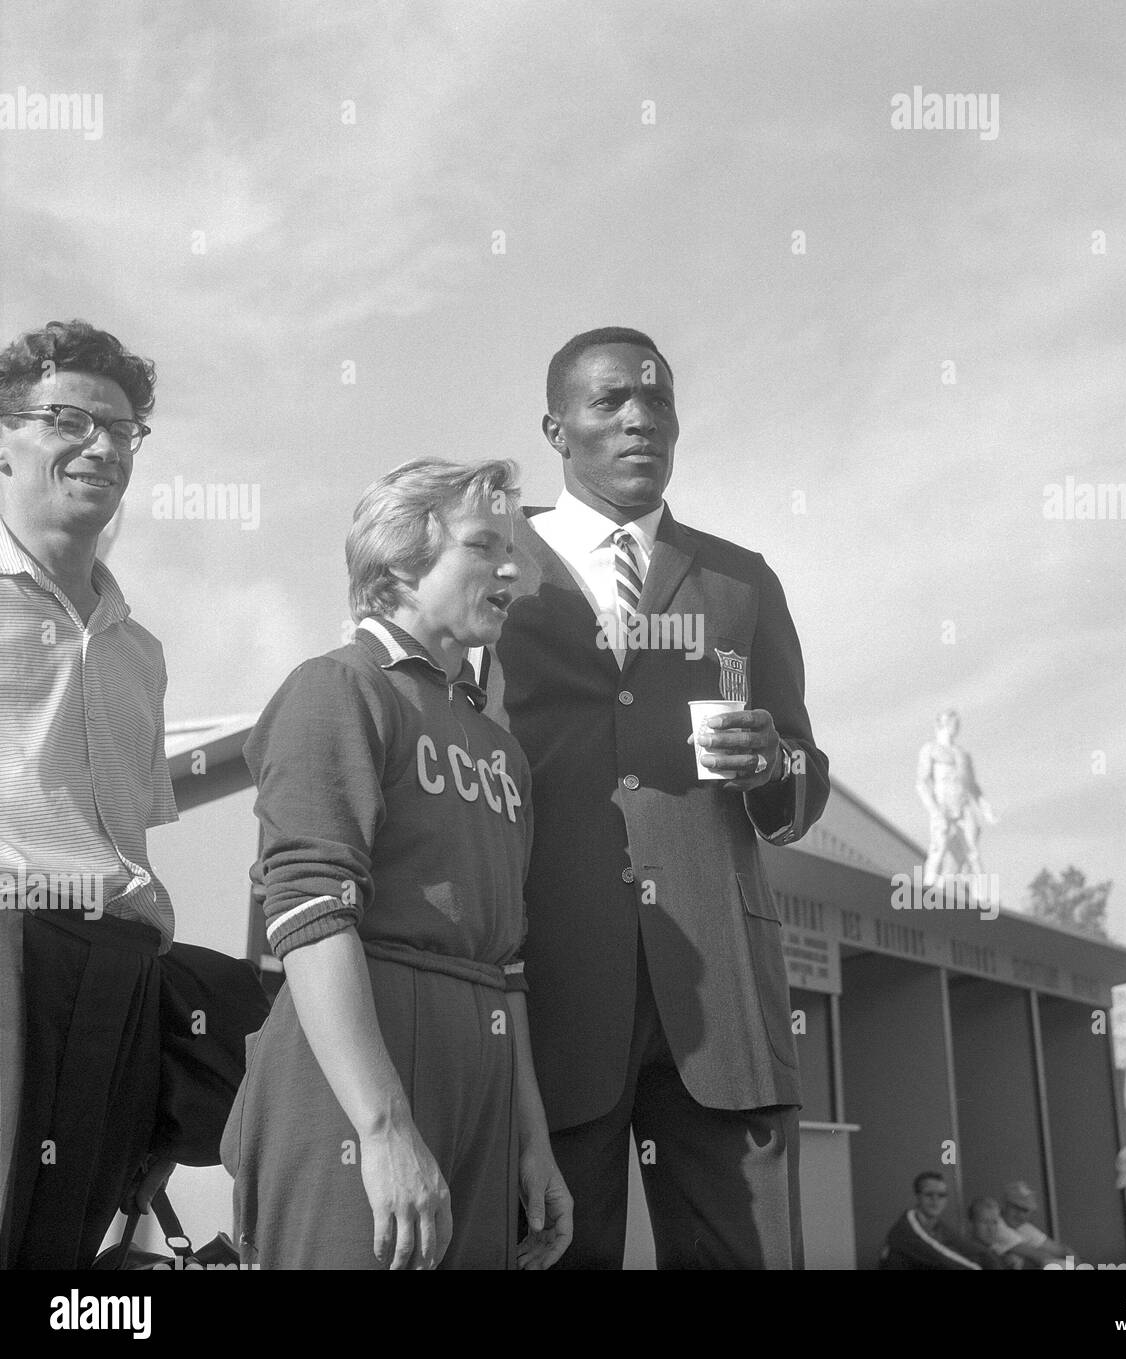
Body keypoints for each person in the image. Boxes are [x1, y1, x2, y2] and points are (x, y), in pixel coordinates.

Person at [488, 327, 830, 1269]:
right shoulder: (487, 560)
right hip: (546, 983)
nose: (642, 418)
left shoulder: (741, 578)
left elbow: (804, 783)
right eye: (611, 402)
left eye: (659, 401)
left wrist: (773, 766)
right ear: (555, 427)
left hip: (722, 1000)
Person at [221, 458, 571, 1270]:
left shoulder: (502, 748)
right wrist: (382, 1129)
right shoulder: (337, 687)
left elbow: (506, 960)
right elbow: (308, 910)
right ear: (400, 567)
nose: (511, 569)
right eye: (484, 546)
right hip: (357, 1058)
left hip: (481, 1060)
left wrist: (532, 1139)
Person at [0, 319, 177, 1268]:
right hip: (12, 946)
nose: (102, 446)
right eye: (70, 419)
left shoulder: (139, 650)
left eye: (122, 429)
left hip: (124, 966)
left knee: (71, 1253)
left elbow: (135, 835)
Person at [916, 708, 996, 887]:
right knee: (939, 847)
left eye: (956, 722)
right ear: (942, 724)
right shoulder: (931, 749)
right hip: (943, 805)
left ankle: (980, 895)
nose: (955, 726)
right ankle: (928, 888)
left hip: (963, 806)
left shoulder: (962, 755)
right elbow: (922, 783)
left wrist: (985, 808)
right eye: (951, 722)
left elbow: (972, 786)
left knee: (972, 852)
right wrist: (935, 811)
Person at [880, 1172, 984, 1270]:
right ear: (918, 1196)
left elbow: (971, 1249)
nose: (935, 1200)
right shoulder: (906, 1228)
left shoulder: (938, 1226)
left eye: (941, 1195)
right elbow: (942, 1258)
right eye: (929, 1194)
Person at [996, 1179, 1073, 1267]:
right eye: (1015, 1207)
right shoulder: (995, 1225)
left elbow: (1065, 1251)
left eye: (1025, 1210)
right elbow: (1041, 1257)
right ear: (1004, 1205)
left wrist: (1075, 1266)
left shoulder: (1023, 1227)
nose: (1020, 1215)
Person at [966, 1196, 1018, 1269]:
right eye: (985, 1222)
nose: (991, 1229)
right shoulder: (969, 1255)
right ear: (971, 1224)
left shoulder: (997, 1253)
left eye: (994, 1222)